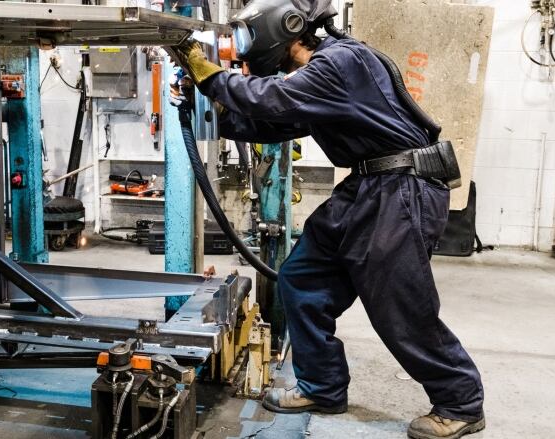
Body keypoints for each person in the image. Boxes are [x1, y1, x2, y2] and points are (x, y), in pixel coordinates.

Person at [168, 1, 485, 438]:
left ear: (283, 28)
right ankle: (323, 386)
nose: (241, 48)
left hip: (401, 188)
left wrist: (209, 73)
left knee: (399, 305)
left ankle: (461, 401)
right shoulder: (320, 74)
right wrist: (217, 107)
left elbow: (271, 99)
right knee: (303, 277)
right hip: (368, 186)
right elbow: (276, 122)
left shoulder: (339, 62)